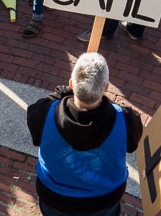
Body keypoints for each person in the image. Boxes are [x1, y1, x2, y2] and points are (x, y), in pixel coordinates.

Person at [26, 52, 143, 216]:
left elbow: (48, 102)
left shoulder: (42, 114)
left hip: (54, 198)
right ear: (106, 88)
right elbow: (132, 145)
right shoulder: (127, 120)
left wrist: (68, 90)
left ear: (71, 84)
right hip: (103, 202)